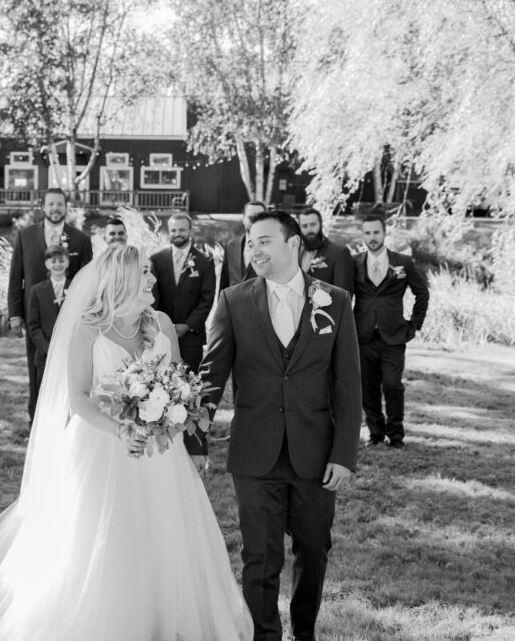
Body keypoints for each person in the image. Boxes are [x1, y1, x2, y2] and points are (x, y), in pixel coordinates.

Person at [0, 244, 252, 640]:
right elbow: (78, 398)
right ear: (122, 278)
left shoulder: (159, 322)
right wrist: (122, 430)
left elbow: (175, 383)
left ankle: (162, 609)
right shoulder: (88, 328)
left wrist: (170, 423)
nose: (153, 278)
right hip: (101, 448)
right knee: (99, 536)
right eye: (145, 272)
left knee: (164, 529)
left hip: (159, 452)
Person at [199, 211, 362, 641]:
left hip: (316, 455)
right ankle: (264, 635)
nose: (254, 249)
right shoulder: (233, 301)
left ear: (294, 245)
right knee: (260, 556)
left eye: (265, 241)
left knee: (314, 550)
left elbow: (348, 387)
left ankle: (304, 632)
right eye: (250, 242)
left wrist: (344, 455)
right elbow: (211, 376)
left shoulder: (336, 301)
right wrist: (195, 436)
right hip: (255, 453)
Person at [7, 188, 92, 422]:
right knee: (37, 367)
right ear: (42, 207)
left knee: (71, 369)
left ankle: (70, 418)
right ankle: (37, 419)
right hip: (36, 315)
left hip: (71, 318)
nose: (55, 209)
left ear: (66, 207)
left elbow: (87, 282)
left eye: (60, 204)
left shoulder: (81, 240)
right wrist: (15, 314)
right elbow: (16, 276)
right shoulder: (25, 236)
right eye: (51, 204)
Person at [352, 214, 430, 449]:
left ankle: (396, 435)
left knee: (392, 385)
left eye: (376, 232)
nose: (372, 237)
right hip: (363, 336)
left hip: (393, 336)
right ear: (363, 235)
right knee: (368, 388)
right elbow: (344, 295)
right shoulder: (353, 262)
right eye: (367, 233)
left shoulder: (403, 262)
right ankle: (376, 434)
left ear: (384, 234)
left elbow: (422, 294)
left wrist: (414, 324)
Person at [149, 213, 216, 467]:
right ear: (168, 231)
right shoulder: (156, 260)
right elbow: (153, 297)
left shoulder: (205, 261)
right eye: (173, 230)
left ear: (190, 230)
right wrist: (162, 328)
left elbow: (207, 298)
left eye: (182, 230)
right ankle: (165, 436)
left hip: (190, 338)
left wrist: (186, 326)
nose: (177, 234)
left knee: (191, 391)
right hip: (161, 338)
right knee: (162, 388)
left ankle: (196, 443)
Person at [25, 244, 70, 408]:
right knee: (47, 398)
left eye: (61, 260)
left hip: (70, 353)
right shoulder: (37, 290)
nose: (57, 264)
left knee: (67, 398)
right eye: (53, 261)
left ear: (67, 263)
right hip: (45, 355)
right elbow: (33, 325)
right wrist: (48, 348)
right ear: (47, 264)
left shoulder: (76, 288)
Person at [297, 207, 355, 295]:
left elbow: (344, 296)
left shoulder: (339, 253)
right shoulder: (296, 253)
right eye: (304, 226)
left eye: (313, 225)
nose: (309, 230)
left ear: (321, 224)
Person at [219, 200, 267, 293]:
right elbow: (224, 283)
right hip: (233, 305)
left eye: (259, 217)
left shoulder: (273, 248)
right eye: (251, 217)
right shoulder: (231, 246)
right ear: (243, 219)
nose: (255, 221)